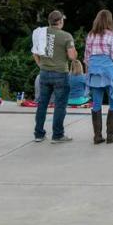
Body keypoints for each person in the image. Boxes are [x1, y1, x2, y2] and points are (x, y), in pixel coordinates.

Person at [33, 10, 77, 144]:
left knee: (42, 104)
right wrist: (74, 50)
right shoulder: (66, 36)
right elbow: (72, 56)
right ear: (60, 21)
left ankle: (39, 134)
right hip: (60, 74)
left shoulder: (40, 33)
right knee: (60, 105)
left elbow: (35, 52)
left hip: (44, 73)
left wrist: (41, 65)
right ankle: (57, 135)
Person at [84, 9, 113, 144]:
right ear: (109, 21)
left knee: (96, 103)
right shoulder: (112, 36)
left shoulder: (90, 35)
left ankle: (97, 136)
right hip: (109, 73)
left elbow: (87, 58)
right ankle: (111, 135)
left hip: (94, 73)